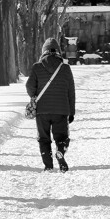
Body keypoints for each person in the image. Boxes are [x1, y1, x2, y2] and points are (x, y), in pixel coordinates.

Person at [25, 37, 76, 171]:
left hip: (42, 110)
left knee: (44, 138)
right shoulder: (65, 68)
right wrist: (71, 112)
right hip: (61, 110)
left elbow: (29, 86)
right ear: (58, 52)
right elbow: (71, 92)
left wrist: (34, 96)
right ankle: (60, 151)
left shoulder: (37, 67)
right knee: (62, 137)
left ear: (43, 51)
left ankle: (48, 165)